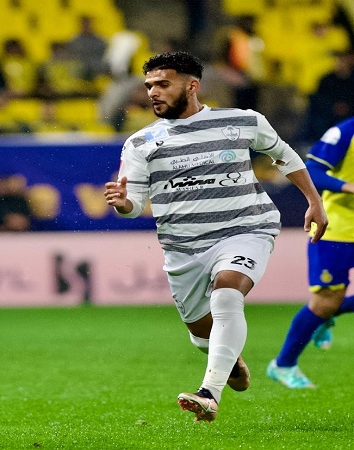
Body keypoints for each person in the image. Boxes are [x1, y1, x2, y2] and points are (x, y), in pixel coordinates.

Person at [104, 51, 327, 423]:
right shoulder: (140, 143)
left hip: (246, 228)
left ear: (192, 86)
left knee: (227, 294)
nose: (153, 92)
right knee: (201, 335)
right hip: (183, 247)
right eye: (149, 85)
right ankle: (229, 360)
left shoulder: (241, 121)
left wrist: (314, 201)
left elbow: (284, 155)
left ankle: (209, 393)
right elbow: (134, 202)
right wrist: (123, 203)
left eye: (163, 84)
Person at [267, 116, 354, 389]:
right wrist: (348, 187)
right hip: (339, 230)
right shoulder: (346, 132)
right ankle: (283, 365)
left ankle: (328, 315)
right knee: (325, 301)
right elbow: (312, 171)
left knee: (328, 306)